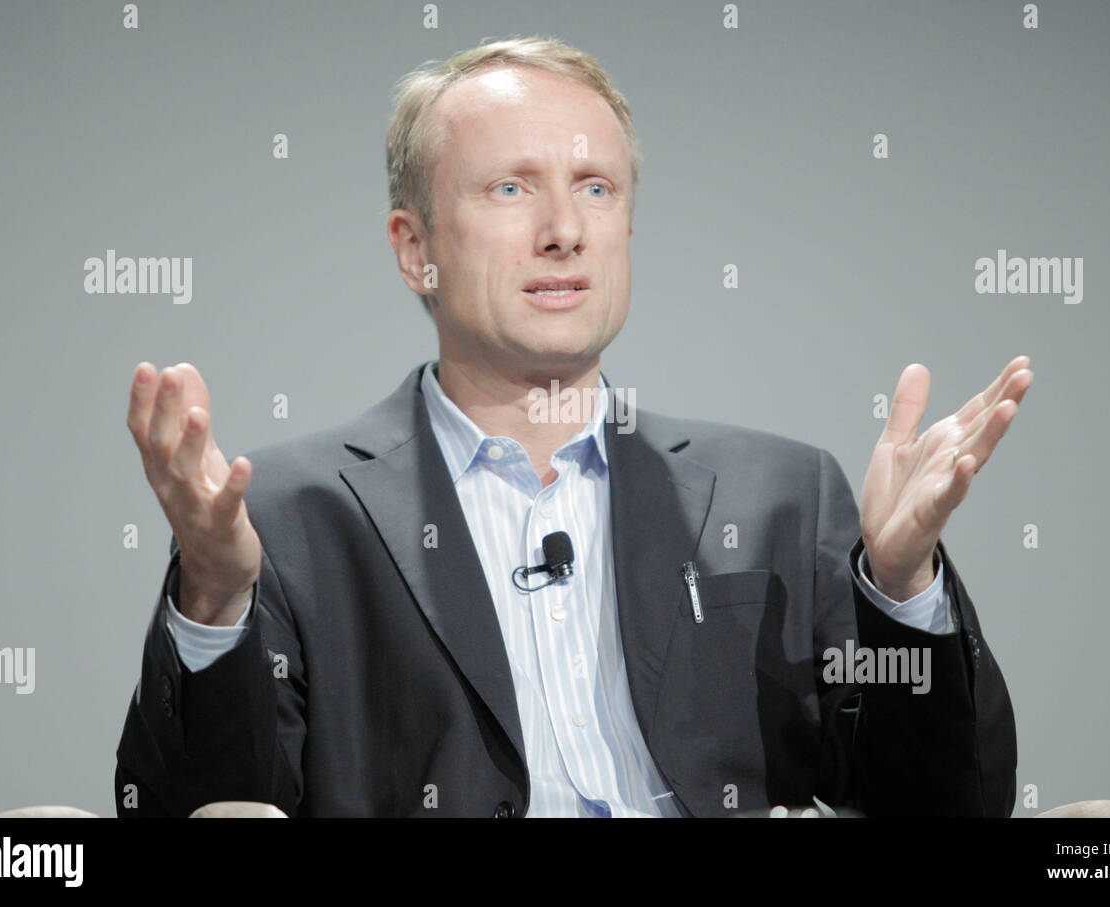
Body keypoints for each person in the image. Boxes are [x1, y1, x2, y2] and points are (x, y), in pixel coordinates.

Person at [115, 36, 1030, 817]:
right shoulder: (287, 514)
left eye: (595, 188)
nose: (564, 230)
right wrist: (214, 601)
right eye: (510, 189)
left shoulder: (784, 491)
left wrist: (902, 593)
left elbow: (946, 804)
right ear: (415, 249)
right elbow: (200, 807)